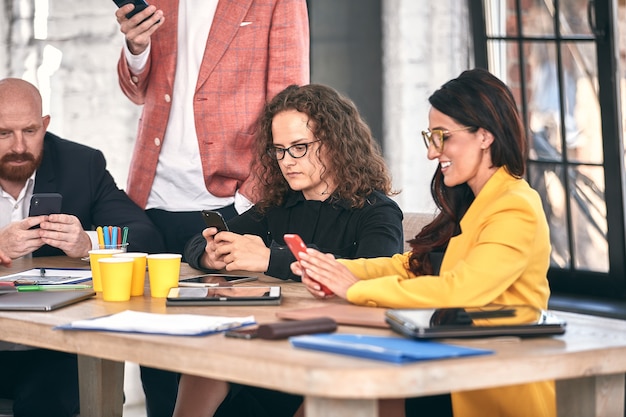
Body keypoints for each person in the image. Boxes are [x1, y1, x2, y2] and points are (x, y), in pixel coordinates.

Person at [292, 69, 555, 417]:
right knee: (347, 387)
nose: (432, 153)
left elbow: (461, 289)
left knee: (353, 388)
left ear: (485, 136)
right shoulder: (473, 201)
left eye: (442, 136)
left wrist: (355, 289)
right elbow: (414, 265)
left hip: (487, 384)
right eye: (429, 137)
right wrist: (334, 268)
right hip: (448, 366)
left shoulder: (515, 206)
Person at [173, 83, 404, 417]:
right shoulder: (279, 205)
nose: (287, 161)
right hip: (271, 344)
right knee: (204, 360)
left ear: (336, 144)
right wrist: (211, 253)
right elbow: (195, 244)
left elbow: (374, 272)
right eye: (279, 150)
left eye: (299, 147)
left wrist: (270, 257)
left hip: (337, 351)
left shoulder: (376, 210)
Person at [0, 78, 166, 417]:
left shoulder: (81, 164)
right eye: (3, 133)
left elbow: (146, 236)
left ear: (45, 125)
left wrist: (86, 242)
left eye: (30, 131)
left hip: (58, 348)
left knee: (48, 403)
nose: (19, 146)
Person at [114, 0, 310, 256]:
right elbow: (136, 92)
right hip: (152, 198)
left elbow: (288, 103)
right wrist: (136, 48)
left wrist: (249, 198)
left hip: (231, 201)